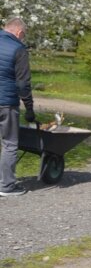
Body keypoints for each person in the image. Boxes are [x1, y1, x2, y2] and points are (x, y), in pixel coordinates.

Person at [0, 17, 35, 197]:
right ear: (19, 33)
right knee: (10, 143)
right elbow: (22, 84)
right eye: (24, 36)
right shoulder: (19, 49)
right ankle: (6, 186)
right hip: (6, 103)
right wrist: (29, 109)